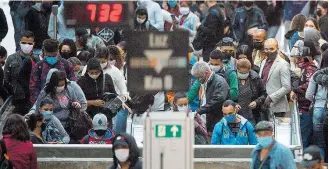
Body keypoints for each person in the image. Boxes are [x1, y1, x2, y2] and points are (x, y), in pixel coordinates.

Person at [29, 39, 76, 104]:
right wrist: (38, 104)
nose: (51, 58)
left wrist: (71, 101)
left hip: (65, 103)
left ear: (58, 51)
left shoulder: (67, 65)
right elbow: (34, 87)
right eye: (49, 56)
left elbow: (73, 85)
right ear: (45, 52)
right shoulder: (38, 67)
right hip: (44, 104)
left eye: (54, 56)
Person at [291, 41, 318, 149]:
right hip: (302, 108)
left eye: (300, 58)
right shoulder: (302, 69)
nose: (297, 61)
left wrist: (295, 90)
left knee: (303, 139)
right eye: (296, 58)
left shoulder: (310, 69)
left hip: (307, 110)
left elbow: (308, 84)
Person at [4, 31, 39, 115]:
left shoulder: (36, 60)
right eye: (24, 42)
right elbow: (6, 79)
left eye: (29, 43)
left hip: (32, 99)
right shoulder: (11, 58)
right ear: (19, 42)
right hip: (16, 99)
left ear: (33, 44)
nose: (26, 45)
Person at [190, 61, 229, 135]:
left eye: (199, 77)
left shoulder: (219, 82)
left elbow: (217, 101)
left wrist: (199, 111)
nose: (198, 79)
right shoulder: (204, 82)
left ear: (206, 73)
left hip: (217, 123)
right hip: (206, 122)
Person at [259, 38, 291, 118]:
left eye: (271, 49)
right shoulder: (263, 62)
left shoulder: (283, 64)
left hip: (277, 107)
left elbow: (287, 87)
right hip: (263, 104)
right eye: (266, 49)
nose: (269, 51)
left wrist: (271, 98)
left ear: (277, 48)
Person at [306, 68, 328, 160]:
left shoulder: (316, 75)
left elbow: (308, 95)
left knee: (319, 143)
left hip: (318, 109)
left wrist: (317, 101)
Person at [236, 58, 266, 124]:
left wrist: (256, 102)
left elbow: (264, 94)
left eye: (245, 73)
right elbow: (226, 96)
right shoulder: (232, 78)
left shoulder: (256, 79)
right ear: (237, 69)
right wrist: (233, 104)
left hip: (252, 115)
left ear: (249, 70)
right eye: (241, 73)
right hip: (235, 115)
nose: (243, 74)